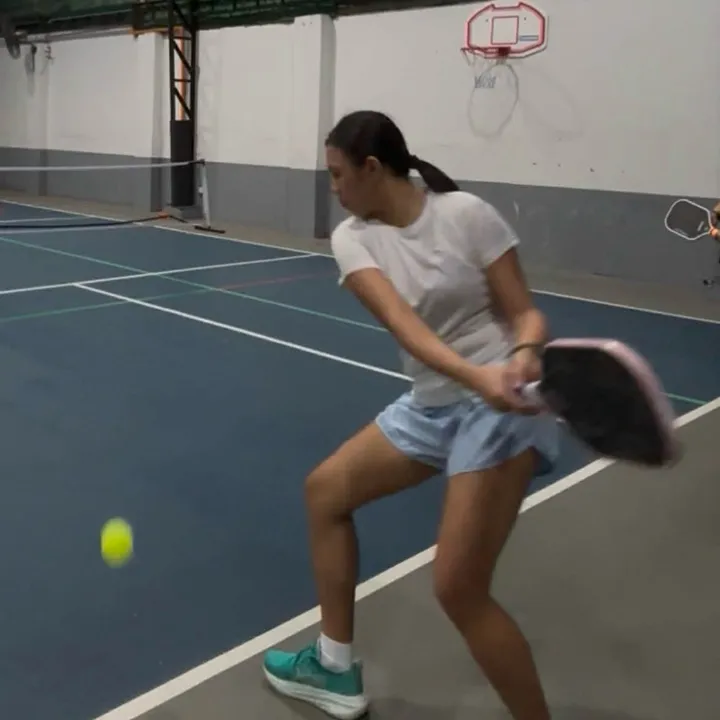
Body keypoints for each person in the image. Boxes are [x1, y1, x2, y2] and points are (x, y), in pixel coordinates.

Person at [262, 110, 560, 720]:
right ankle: (333, 667)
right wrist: (475, 377)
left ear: (372, 168)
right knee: (325, 493)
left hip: (500, 409)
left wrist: (525, 352)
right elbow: (407, 329)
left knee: (458, 588)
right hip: (438, 401)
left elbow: (526, 314)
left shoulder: (467, 214)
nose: (333, 188)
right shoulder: (353, 239)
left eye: (337, 174)